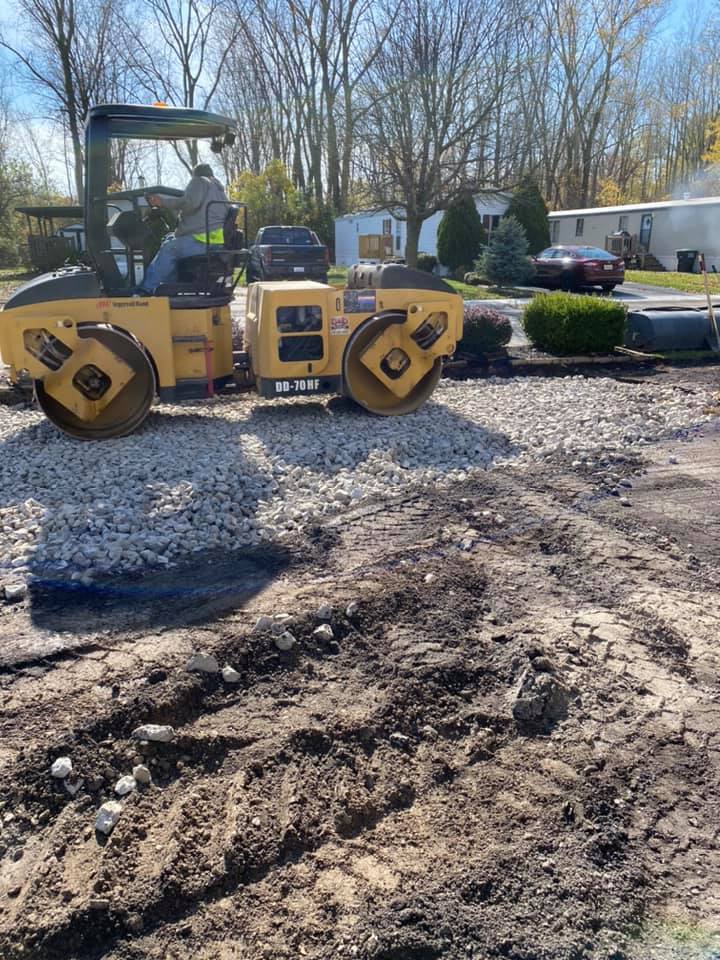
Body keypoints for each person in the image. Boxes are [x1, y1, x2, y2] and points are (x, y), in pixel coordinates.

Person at [139, 163, 230, 293]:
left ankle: (146, 290)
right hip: (214, 240)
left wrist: (163, 202)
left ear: (195, 175)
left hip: (201, 240)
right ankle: (168, 288)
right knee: (168, 239)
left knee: (168, 249)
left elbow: (190, 203)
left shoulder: (199, 181)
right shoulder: (219, 189)